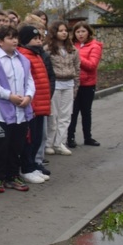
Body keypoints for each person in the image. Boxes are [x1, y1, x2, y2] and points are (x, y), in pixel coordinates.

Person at [0, 26, 35, 193]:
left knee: (16, 145)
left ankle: (13, 175)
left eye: (15, 38)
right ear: (0, 41)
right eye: (10, 38)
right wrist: (9, 96)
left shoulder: (22, 60)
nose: (14, 41)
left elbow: (29, 80)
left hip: (20, 111)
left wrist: (28, 96)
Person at [16, 25, 51, 184]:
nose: (38, 41)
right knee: (29, 139)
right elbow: (28, 83)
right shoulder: (25, 56)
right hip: (33, 105)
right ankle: (26, 168)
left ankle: (32, 165)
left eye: (39, 38)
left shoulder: (36, 55)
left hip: (41, 104)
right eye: (34, 38)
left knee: (37, 138)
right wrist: (33, 104)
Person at [45, 21, 79, 156]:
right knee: (53, 115)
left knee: (66, 115)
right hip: (56, 84)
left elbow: (77, 67)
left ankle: (60, 143)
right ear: (54, 32)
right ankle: (49, 143)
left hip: (69, 83)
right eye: (60, 30)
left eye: (65, 30)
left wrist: (75, 85)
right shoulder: (48, 49)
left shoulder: (72, 49)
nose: (64, 33)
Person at [68, 21, 102, 148]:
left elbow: (92, 65)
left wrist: (77, 57)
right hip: (73, 83)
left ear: (88, 32)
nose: (80, 34)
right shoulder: (72, 45)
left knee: (86, 112)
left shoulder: (95, 46)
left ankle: (88, 137)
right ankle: (70, 137)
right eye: (77, 32)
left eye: (83, 31)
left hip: (87, 84)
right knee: (73, 112)